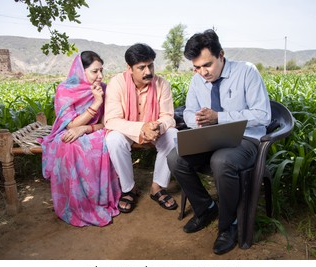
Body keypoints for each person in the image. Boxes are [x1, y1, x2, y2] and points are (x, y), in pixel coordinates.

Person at [167, 30, 271, 254]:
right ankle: (206, 208)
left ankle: (229, 225)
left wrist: (219, 117)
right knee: (175, 158)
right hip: (211, 136)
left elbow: (263, 115)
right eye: (196, 67)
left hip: (246, 139)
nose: (202, 72)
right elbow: (188, 112)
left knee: (221, 161)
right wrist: (197, 122)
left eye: (207, 65)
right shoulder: (197, 81)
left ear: (221, 55)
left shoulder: (246, 72)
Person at [40, 51, 121, 227]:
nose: (100, 76)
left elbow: (106, 122)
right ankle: (79, 204)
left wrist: (87, 127)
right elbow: (70, 126)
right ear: (80, 71)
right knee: (70, 145)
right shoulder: (65, 90)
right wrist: (96, 104)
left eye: (101, 71)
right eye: (94, 71)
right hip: (69, 130)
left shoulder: (104, 89)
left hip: (94, 130)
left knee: (96, 143)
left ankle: (98, 200)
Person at [104, 43, 178, 213]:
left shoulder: (161, 84)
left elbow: (168, 116)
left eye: (151, 65)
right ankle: (129, 189)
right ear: (129, 68)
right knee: (113, 139)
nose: (148, 71)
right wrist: (141, 127)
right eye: (142, 67)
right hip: (127, 130)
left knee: (173, 134)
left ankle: (157, 187)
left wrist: (158, 126)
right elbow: (112, 120)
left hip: (154, 130)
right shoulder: (116, 83)